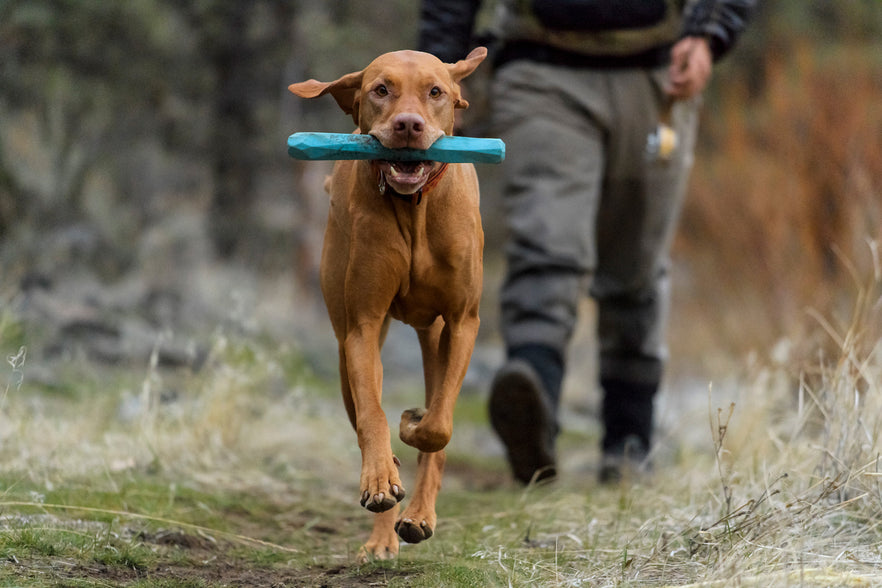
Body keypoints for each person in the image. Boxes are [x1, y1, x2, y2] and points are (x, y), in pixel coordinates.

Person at [418, 0, 755, 484]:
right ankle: (532, 399)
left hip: (658, 72)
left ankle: (628, 441)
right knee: (547, 242)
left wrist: (709, 32)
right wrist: (438, 71)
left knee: (635, 262)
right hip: (540, 71)